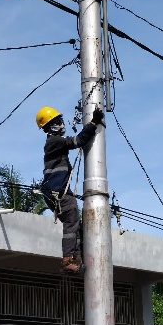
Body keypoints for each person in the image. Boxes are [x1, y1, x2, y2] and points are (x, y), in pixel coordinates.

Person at [35, 105, 104, 273]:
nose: (61, 124)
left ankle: (76, 259)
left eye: (60, 121)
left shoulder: (54, 143)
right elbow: (78, 141)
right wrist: (94, 122)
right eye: (57, 121)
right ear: (49, 126)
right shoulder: (54, 141)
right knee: (71, 221)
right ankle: (67, 260)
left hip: (56, 192)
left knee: (75, 223)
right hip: (58, 192)